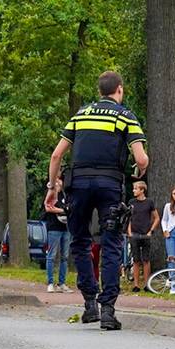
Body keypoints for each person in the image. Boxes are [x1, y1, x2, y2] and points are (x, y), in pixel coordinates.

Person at [45, 71, 149, 330]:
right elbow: (142, 158)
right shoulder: (126, 116)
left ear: (100, 91)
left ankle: (89, 303)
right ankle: (108, 311)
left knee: (80, 241)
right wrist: (139, 170)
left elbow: (57, 155)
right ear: (120, 90)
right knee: (111, 243)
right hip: (109, 185)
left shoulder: (80, 115)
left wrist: (51, 188)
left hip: (77, 185)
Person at [126, 181, 159, 292]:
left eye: (136, 188)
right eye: (134, 188)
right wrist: (129, 232)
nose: (134, 190)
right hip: (134, 234)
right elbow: (128, 218)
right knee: (136, 260)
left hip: (145, 234)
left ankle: (147, 284)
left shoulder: (149, 202)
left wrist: (151, 231)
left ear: (142, 190)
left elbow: (156, 218)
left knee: (146, 260)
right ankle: (136, 285)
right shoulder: (131, 202)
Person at [42, 180, 71, 293]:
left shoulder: (64, 196)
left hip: (65, 228)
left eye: (60, 184)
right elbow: (48, 207)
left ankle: (62, 283)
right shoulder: (49, 195)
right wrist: (63, 210)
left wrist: (60, 210)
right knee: (51, 256)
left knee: (65, 256)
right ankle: (50, 283)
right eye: (56, 184)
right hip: (54, 228)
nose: (58, 186)